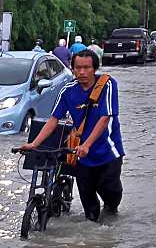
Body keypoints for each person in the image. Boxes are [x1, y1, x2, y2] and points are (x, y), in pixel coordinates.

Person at [20, 49, 123, 222]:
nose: (82, 72)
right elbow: (53, 120)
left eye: (86, 68)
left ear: (94, 69)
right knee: (88, 204)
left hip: (108, 152)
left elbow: (105, 119)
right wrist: (33, 144)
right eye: (78, 68)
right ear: (72, 69)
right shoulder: (68, 90)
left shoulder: (108, 85)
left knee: (111, 196)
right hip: (81, 155)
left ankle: (111, 216)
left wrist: (87, 145)